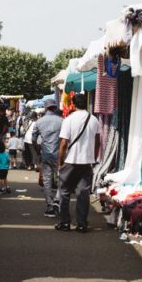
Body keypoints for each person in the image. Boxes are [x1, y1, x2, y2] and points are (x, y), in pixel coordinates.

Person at [55, 93, 101, 233]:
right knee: (83, 193)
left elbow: (63, 143)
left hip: (70, 161)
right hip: (86, 162)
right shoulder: (94, 120)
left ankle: (65, 222)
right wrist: (92, 157)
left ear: (73, 104)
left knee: (64, 191)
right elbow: (98, 141)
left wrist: (60, 162)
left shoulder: (68, 119)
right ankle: (81, 224)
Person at [32, 99, 64, 218]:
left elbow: (33, 140)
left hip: (45, 154)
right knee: (62, 179)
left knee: (47, 181)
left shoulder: (39, 122)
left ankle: (50, 206)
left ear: (45, 108)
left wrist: (38, 152)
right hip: (59, 155)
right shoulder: (62, 121)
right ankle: (57, 200)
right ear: (55, 108)